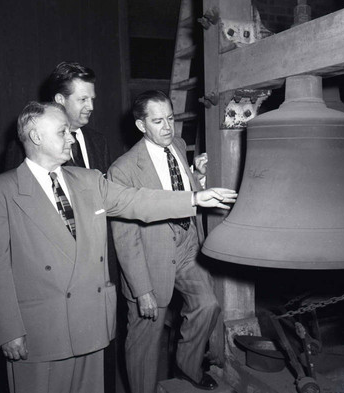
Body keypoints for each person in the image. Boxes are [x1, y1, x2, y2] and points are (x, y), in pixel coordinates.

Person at [0, 101, 236, 393]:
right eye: (63, 132)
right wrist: (9, 330)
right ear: (36, 137)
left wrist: (194, 199)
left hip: (91, 325)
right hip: (41, 333)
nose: (71, 138)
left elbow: (138, 200)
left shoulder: (89, 180)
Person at [108, 90, 220, 392]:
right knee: (146, 340)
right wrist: (141, 290)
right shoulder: (123, 170)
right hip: (149, 257)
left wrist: (198, 176)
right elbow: (125, 238)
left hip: (187, 245)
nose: (168, 127)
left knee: (207, 305)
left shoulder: (178, 146)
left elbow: (184, 190)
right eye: (158, 121)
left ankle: (186, 374)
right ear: (141, 126)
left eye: (170, 118)